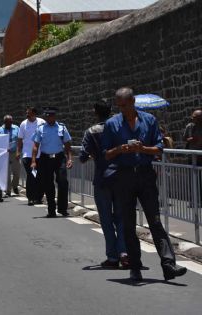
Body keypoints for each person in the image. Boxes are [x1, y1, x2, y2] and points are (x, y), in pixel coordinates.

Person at [102, 87, 187, 282]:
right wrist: (120, 149)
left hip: (145, 176)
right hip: (123, 177)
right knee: (129, 224)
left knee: (155, 222)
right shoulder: (111, 124)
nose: (122, 109)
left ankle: (168, 266)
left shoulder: (149, 120)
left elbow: (159, 148)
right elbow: (105, 154)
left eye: (125, 105)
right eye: (119, 106)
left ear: (133, 101)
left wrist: (143, 148)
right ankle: (135, 266)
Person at [80, 99, 128, 269]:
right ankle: (124, 252)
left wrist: (94, 154)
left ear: (95, 112)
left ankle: (113, 257)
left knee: (106, 220)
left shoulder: (91, 131)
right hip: (122, 177)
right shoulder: (120, 127)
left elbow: (83, 157)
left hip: (102, 179)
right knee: (122, 218)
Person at [31, 107, 72, 217]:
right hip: (45, 158)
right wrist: (34, 161)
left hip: (59, 158)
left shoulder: (62, 128)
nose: (49, 117)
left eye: (51, 115)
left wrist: (69, 159)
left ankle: (62, 208)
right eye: (47, 116)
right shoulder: (40, 129)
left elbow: (67, 144)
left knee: (63, 182)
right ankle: (51, 210)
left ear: (54, 116)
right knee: (48, 185)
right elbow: (35, 146)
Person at [17, 107, 45, 206]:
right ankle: (30, 198)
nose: (27, 115)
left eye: (29, 113)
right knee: (31, 175)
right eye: (26, 113)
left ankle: (39, 197)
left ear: (34, 113)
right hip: (27, 155)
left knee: (39, 176)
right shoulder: (23, 124)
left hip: (40, 154)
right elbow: (20, 139)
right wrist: (18, 151)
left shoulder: (42, 122)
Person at [0, 115, 21, 197]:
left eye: (11, 121)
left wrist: (19, 152)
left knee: (17, 172)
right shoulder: (0, 130)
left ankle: (15, 186)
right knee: (7, 173)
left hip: (15, 153)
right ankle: (8, 190)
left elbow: (20, 140)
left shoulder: (17, 128)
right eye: (7, 122)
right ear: (4, 122)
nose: (9, 123)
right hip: (5, 153)